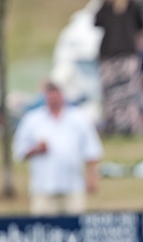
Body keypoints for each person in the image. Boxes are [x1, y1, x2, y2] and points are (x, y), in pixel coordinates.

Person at [13, 81, 104, 216]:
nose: (54, 100)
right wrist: (36, 149)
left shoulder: (79, 118)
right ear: (45, 97)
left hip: (73, 186)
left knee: (74, 226)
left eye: (56, 96)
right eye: (50, 96)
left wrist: (92, 178)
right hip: (44, 187)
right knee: (44, 228)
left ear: (63, 96)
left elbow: (92, 150)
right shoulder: (32, 120)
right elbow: (19, 151)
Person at [94, 0, 143, 136]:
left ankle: (112, 126)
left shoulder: (106, 4)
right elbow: (141, 26)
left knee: (111, 93)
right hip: (128, 52)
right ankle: (130, 126)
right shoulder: (133, 3)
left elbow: (96, 23)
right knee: (129, 93)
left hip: (109, 53)